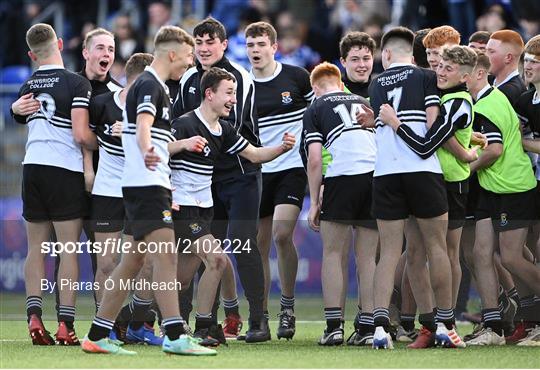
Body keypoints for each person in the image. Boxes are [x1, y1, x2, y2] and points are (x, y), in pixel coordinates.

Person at [81, 25, 215, 356]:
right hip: (146, 185)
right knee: (164, 257)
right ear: (172, 54)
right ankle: (174, 334)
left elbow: (149, 133)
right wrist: (146, 150)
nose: (190, 62)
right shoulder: (149, 84)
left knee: (131, 263)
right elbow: (142, 126)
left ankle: (97, 335)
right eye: (187, 56)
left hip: (146, 184)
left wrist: (155, 152)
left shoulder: (155, 87)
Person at [171, 67, 296, 346]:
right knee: (217, 260)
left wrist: (282, 148)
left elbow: (253, 154)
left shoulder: (224, 129)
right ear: (209, 94)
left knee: (181, 277)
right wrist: (182, 144)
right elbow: (154, 151)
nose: (234, 99)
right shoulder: (183, 124)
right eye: (229, 93)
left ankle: (153, 318)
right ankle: (204, 326)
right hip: (183, 209)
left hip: (205, 209)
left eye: (235, 93)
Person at [357, 26, 457, 350]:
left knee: (390, 253)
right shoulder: (426, 77)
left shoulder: (375, 84)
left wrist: (379, 120)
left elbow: (385, 121)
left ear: (385, 54)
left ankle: (380, 328)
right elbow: (430, 127)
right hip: (422, 172)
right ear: (412, 56)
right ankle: (444, 322)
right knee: (435, 248)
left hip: (386, 173)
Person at [172, 17, 269, 342]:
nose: (203, 48)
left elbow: (226, 128)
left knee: (243, 245)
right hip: (204, 181)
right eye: (198, 42)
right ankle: (199, 324)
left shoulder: (238, 77)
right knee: (198, 255)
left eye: (209, 41)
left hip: (239, 175)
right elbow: (179, 124)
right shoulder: (187, 78)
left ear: (224, 44)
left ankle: (258, 320)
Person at [379, 45, 481, 348]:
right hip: (427, 181)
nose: (440, 70)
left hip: (450, 185)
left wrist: (395, 123)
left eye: (448, 68)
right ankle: (429, 325)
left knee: (447, 254)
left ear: (464, 76)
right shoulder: (442, 96)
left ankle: (447, 324)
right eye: (439, 65)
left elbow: (428, 143)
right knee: (415, 254)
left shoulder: (459, 102)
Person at [11, 23, 95, 345]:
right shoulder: (76, 82)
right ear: (59, 43)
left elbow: (19, 114)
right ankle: (65, 325)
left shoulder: (26, 86)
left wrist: (13, 110)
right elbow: (79, 133)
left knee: (36, 249)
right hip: (64, 169)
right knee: (68, 249)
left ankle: (34, 316)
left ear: (31, 54)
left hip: (32, 168)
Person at [244, 21, 313, 340]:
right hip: (258, 171)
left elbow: (317, 117)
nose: (255, 50)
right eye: (250, 46)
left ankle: (288, 308)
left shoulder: (297, 77)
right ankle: (261, 316)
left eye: (260, 44)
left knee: (283, 235)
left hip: (291, 168)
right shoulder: (242, 85)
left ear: (274, 47)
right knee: (257, 244)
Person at [465, 53, 539, 346]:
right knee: (480, 254)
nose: (456, 76)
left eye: (461, 71)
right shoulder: (481, 102)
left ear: (479, 73)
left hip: (512, 187)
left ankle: (529, 317)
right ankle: (493, 325)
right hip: (491, 186)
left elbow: (494, 150)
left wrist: (463, 170)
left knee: (511, 257)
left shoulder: (488, 104)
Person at [88, 52, 162, 345]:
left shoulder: (155, 105)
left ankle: (140, 324)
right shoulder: (102, 104)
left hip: (140, 189)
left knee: (146, 261)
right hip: (108, 190)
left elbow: (166, 144)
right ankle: (104, 326)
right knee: (106, 263)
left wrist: (131, 133)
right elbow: (86, 140)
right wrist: (87, 170)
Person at [303, 62, 378, 346]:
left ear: (315, 88)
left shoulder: (315, 109)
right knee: (368, 257)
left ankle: (334, 326)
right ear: (340, 82)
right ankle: (368, 327)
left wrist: (313, 201)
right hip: (374, 177)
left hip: (342, 178)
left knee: (333, 253)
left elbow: (314, 159)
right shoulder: (363, 101)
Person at [514, 35, 540, 347]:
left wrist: (519, 142)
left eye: (535, 60)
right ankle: (532, 321)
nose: (529, 65)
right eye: (527, 59)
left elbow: (521, 141)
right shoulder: (524, 100)